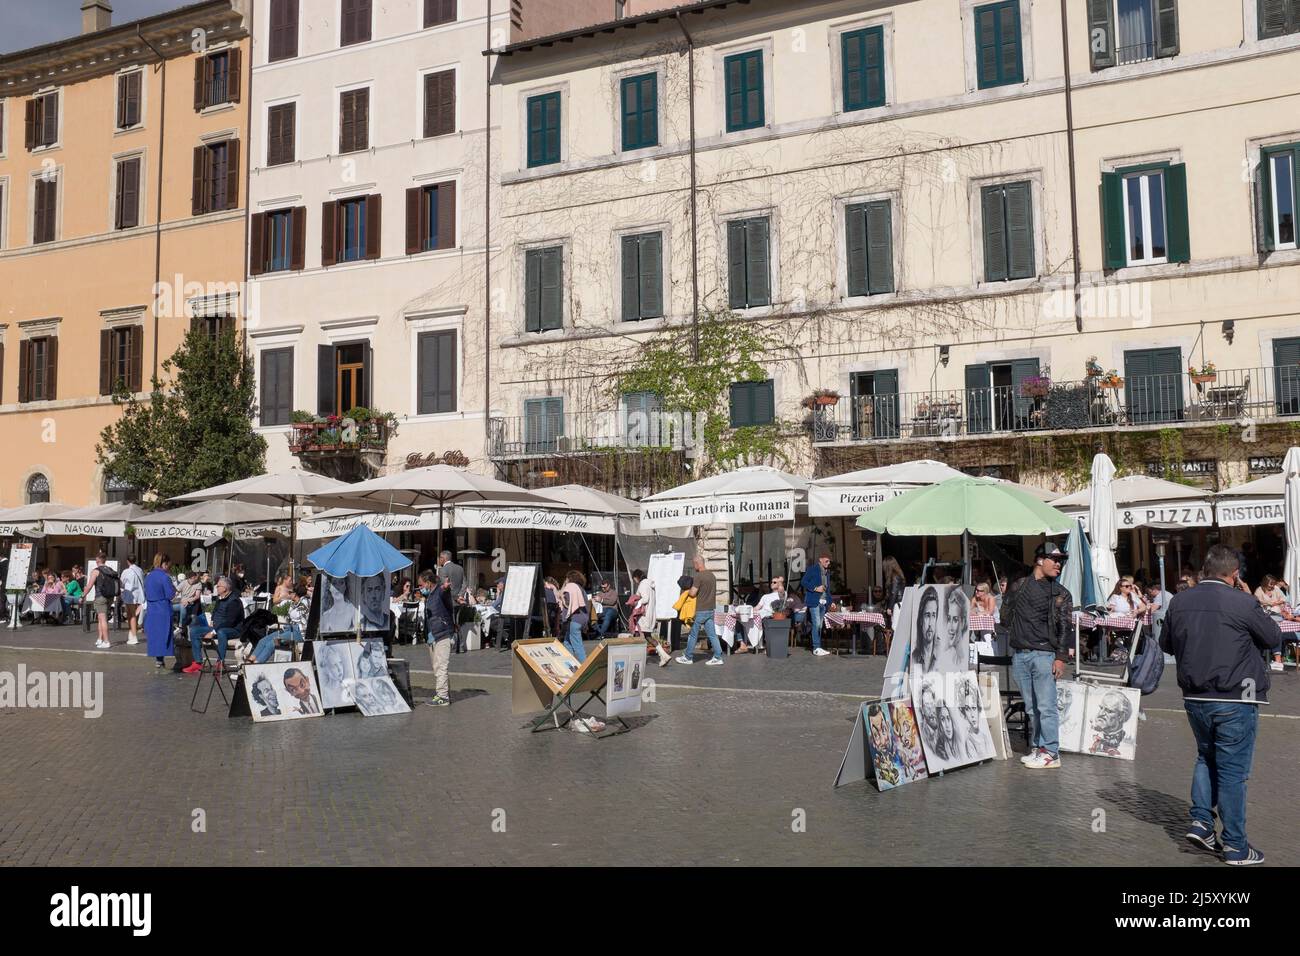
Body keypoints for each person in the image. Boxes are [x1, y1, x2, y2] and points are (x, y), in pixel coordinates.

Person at [1162, 545, 1281, 866]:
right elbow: (1272, 638)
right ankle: (1236, 846)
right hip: (1235, 695)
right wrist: (1251, 599)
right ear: (1235, 574)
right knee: (1233, 773)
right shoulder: (1242, 601)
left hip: (1194, 696)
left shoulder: (1180, 601)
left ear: (1204, 570)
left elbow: (1166, 644)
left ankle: (1201, 821)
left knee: (1205, 756)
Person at [1003, 541, 1073, 770]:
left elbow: (1065, 627)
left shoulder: (1061, 593)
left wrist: (1060, 657)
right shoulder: (1020, 585)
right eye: (1055, 560)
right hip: (1021, 654)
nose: (1059, 565)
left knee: (1046, 706)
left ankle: (1051, 752)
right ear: (1040, 560)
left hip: (1044, 654)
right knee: (1032, 707)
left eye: (1061, 561)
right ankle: (1038, 747)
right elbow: (1006, 616)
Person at [183, 576, 244, 674]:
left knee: (221, 632)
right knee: (194, 631)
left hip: (233, 629)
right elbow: (215, 611)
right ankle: (198, 662)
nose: (216, 588)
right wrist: (212, 620)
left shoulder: (234, 601)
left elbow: (229, 622)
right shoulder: (220, 599)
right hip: (216, 627)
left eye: (218, 586)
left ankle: (220, 662)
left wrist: (213, 631)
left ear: (225, 588)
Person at [675, 555, 723, 666]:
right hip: (711, 609)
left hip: (701, 609)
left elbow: (692, 593)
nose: (694, 566)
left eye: (694, 564)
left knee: (693, 634)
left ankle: (688, 657)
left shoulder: (699, 576)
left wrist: (687, 591)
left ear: (697, 563)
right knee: (712, 635)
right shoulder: (712, 576)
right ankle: (718, 656)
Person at [420, 569, 454, 706]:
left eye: (422, 585)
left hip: (443, 633)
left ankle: (443, 696)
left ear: (428, 583)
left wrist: (445, 588)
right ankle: (444, 693)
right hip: (433, 636)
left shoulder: (439, 592)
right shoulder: (431, 596)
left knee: (441, 666)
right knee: (437, 667)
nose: (421, 588)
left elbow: (444, 592)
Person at [629, 569, 671, 667]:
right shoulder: (649, 584)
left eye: (634, 579)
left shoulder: (643, 584)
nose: (634, 581)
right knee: (648, 636)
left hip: (644, 614)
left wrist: (636, 603)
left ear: (636, 577)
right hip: (650, 613)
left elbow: (645, 598)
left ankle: (637, 658)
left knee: (638, 634)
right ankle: (664, 655)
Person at [143, 554, 176, 670]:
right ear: (165, 564)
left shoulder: (149, 576)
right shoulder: (165, 577)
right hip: (163, 608)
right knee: (165, 635)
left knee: (156, 635)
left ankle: (159, 660)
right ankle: (163, 660)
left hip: (152, 609)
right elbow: (170, 595)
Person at [800, 553, 834, 657]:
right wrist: (815, 588)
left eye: (829, 561)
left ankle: (818, 646)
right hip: (814, 601)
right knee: (817, 624)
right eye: (826, 561)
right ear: (820, 559)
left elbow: (827, 589)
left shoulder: (826, 572)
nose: (828, 563)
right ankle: (816, 647)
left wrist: (830, 601)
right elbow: (804, 581)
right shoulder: (813, 569)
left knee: (819, 625)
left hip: (823, 602)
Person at [84, 553, 119, 650]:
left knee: (103, 619)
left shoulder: (96, 571)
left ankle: (106, 641)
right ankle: (100, 638)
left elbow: (90, 585)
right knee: (100, 618)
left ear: (97, 560)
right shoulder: (110, 570)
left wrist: (83, 595)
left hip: (100, 597)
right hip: (110, 597)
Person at [745, 574, 788, 652]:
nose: (772, 583)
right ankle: (751, 642)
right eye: (771, 582)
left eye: (774, 582)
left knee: (762, 619)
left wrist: (780, 582)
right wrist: (747, 609)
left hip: (773, 615)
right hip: (761, 614)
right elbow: (757, 607)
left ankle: (761, 643)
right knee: (745, 619)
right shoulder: (765, 596)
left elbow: (781, 590)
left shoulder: (782, 594)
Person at [559, 570, 590, 663]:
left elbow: (568, 601)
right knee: (567, 643)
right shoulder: (581, 589)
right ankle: (570, 665)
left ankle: (585, 668)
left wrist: (563, 602)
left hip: (574, 619)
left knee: (577, 645)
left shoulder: (571, 587)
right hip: (582, 618)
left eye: (566, 578)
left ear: (569, 578)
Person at [119, 555, 145, 646]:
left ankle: (134, 636)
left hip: (130, 595)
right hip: (139, 594)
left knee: (131, 615)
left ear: (127, 561)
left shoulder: (126, 571)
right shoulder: (140, 570)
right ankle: (131, 634)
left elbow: (121, 583)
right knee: (132, 615)